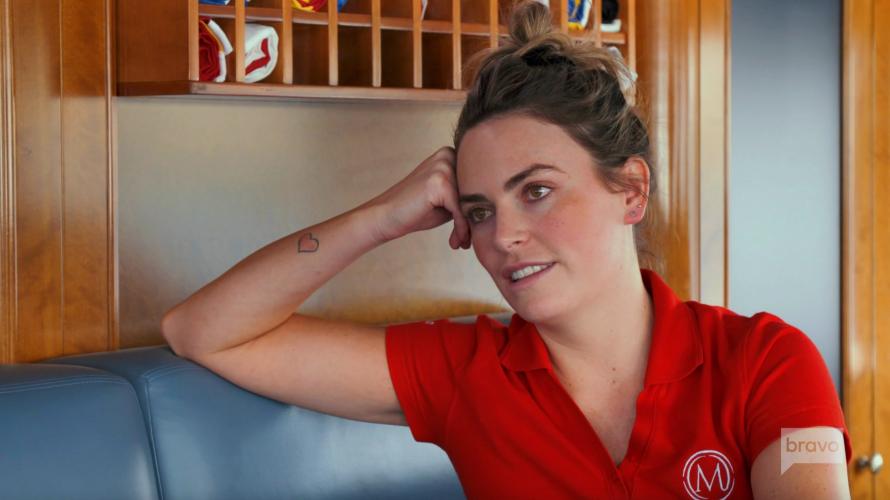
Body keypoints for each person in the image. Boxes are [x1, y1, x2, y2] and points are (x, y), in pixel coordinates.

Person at [160, 1, 852, 497]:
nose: (502, 236)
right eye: (480, 210)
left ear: (631, 191)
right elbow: (203, 332)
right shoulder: (466, 374)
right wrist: (380, 218)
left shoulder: (764, 362)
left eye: (537, 191)